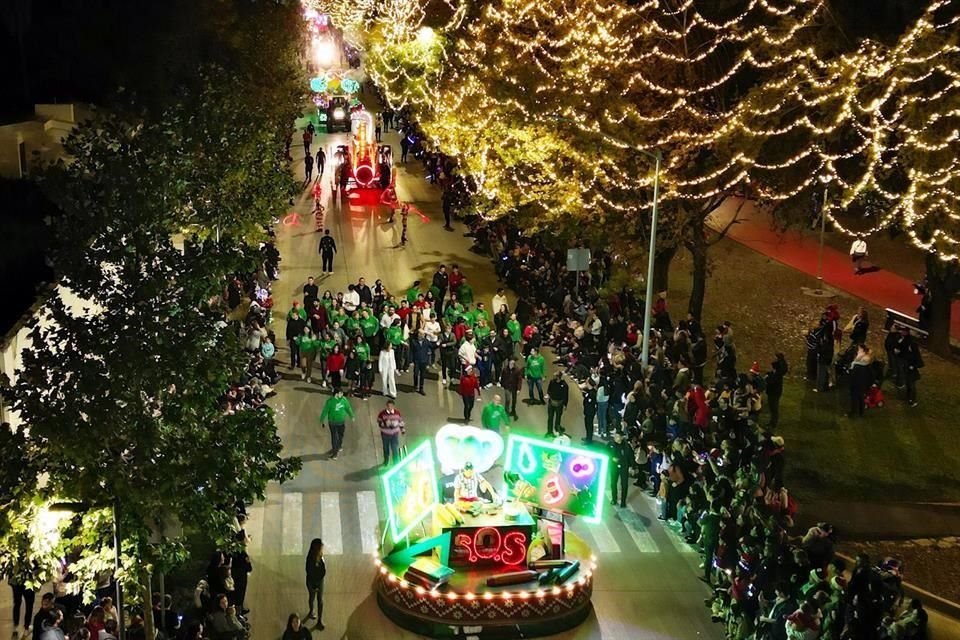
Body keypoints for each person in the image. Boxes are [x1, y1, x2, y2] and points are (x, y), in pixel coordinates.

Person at [319, 388, 355, 460]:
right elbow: (325, 411)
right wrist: (322, 420)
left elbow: (348, 408)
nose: (342, 394)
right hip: (333, 423)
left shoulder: (344, 400)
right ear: (336, 394)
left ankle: (338, 447)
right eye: (340, 393)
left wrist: (352, 416)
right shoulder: (330, 402)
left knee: (341, 435)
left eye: (342, 393)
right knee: (334, 437)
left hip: (341, 422)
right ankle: (335, 453)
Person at [893, 326, 923, 407]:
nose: (901, 332)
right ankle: (908, 397)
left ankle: (912, 399)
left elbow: (918, 359)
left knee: (911, 384)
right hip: (906, 366)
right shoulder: (901, 339)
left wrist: (913, 366)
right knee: (908, 383)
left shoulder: (912, 344)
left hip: (911, 368)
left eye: (903, 331)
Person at [304, 539, 326, 629]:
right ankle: (311, 611)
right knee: (312, 597)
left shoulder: (320, 556)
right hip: (312, 582)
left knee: (320, 600)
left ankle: (319, 620)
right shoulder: (310, 560)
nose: (322, 548)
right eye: (321, 547)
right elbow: (309, 572)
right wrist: (314, 585)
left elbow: (322, 570)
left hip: (319, 581)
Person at [377, 399, 405, 466]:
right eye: (388, 406)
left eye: (391, 406)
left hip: (394, 435)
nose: (389, 408)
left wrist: (403, 430)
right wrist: (385, 423)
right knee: (386, 448)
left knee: (394, 449)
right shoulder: (382, 414)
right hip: (385, 434)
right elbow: (379, 422)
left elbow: (400, 422)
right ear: (386, 406)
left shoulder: (397, 413)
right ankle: (386, 461)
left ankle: (396, 463)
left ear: (393, 406)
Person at [849, 344, 873, 418]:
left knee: (858, 397)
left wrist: (857, 358)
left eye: (859, 349)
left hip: (858, 382)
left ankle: (856, 412)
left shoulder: (862, 362)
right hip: (858, 382)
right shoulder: (861, 362)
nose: (858, 351)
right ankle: (858, 412)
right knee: (858, 397)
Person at [608, 431, 632, 508]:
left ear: (622, 437)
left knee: (624, 485)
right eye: (615, 436)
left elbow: (630, 456)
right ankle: (614, 499)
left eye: (617, 436)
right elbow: (606, 452)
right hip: (613, 467)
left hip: (624, 467)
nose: (615, 438)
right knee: (613, 483)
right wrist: (612, 458)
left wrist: (633, 467)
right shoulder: (610, 444)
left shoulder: (626, 446)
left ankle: (623, 501)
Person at [765, 353, 788, 428]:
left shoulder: (777, 374)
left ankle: (773, 423)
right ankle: (772, 422)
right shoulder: (777, 372)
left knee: (774, 409)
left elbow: (771, 382)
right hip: (774, 392)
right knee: (773, 408)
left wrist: (767, 378)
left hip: (774, 393)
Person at [546, 370, 569, 437]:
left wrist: (565, 404)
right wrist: (548, 395)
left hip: (559, 404)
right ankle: (549, 431)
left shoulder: (564, 385)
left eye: (555, 376)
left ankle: (557, 429)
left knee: (558, 418)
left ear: (558, 377)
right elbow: (549, 390)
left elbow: (566, 395)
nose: (553, 377)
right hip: (551, 402)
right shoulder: (552, 382)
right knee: (550, 417)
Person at [410, 329, 431, 394]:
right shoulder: (414, 341)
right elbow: (411, 352)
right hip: (416, 361)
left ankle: (421, 388)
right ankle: (415, 386)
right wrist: (411, 361)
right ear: (418, 334)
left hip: (424, 361)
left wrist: (438, 343)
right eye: (421, 334)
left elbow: (431, 348)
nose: (422, 335)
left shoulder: (426, 341)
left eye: (423, 334)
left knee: (422, 375)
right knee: (416, 374)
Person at [581, 377, 598, 443]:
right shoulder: (589, 391)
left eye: (587, 382)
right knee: (587, 425)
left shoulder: (592, 393)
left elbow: (589, 402)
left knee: (589, 425)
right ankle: (587, 437)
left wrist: (586, 397)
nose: (585, 383)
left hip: (590, 412)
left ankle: (589, 439)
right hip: (587, 411)